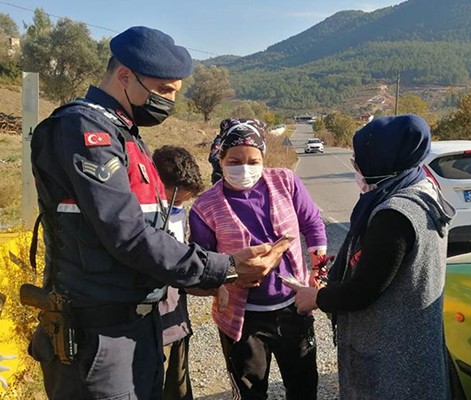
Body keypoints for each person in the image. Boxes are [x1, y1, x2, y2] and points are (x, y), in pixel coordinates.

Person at [28, 26, 289, 400]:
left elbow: (155, 233)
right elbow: (129, 236)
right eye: (164, 90)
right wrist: (225, 266)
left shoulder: (125, 133)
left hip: (137, 327)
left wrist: (214, 276)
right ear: (124, 76)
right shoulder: (84, 130)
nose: (169, 102)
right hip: (98, 337)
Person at [284, 114, 456, 400]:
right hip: (413, 347)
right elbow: (390, 263)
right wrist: (355, 258)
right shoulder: (423, 189)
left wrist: (314, 297)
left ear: (381, 160)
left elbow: (364, 290)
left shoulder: (394, 213)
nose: (357, 167)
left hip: (391, 361)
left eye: (359, 159)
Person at [189, 118, 327, 400]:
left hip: (292, 308)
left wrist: (319, 267)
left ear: (263, 158)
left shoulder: (285, 182)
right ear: (221, 159)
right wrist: (221, 286)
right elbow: (203, 262)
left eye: (253, 161)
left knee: (303, 387)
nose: (245, 168)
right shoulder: (204, 207)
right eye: (235, 160)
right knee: (250, 391)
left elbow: (312, 222)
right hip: (243, 319)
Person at [152, 145, 205, 400]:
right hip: (148, 327)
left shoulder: (179, 214)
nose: (178, 207)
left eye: (183, 203)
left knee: (178, 391)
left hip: (176, 324)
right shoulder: (132, 216)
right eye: (176, 200)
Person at [208, 118, 268, 184]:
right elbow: (213, 157)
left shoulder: (277, 184)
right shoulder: (220, 141)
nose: (244, 170)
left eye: (253, 162)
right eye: (234, 162)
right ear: (221, 161)